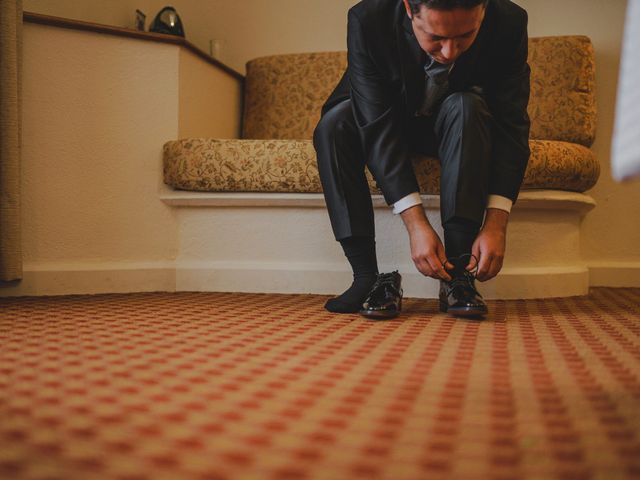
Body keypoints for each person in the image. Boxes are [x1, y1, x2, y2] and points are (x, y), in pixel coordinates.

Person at [313, 0, 531, 318]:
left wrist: (497, 223)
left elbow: (512, 126)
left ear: (484, 8)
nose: (449, 52)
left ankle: (459, 275)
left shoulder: (510, 20)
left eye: (465, 36)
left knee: (467, 107)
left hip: (456, 117)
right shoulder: (368, 18)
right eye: (435, 38)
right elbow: (376, 126)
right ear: (408, 8)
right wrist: (416, 224)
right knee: (333, 126)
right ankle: (364, 276)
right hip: (385, 114)